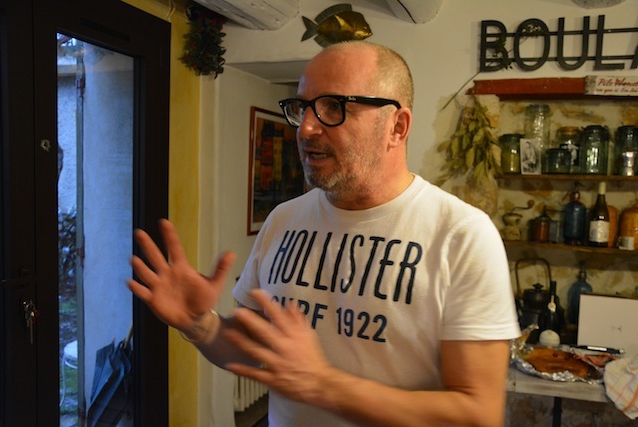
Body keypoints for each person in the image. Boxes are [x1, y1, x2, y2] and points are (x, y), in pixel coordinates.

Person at [128, 41, 521, 426]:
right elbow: (252, 351)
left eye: (334, 106)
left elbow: (478, 413)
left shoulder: (462, 236)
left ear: (397, 127)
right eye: (303, 107)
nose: (307, 128)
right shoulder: (284, 220)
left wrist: (325, 386)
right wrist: (200, 324)